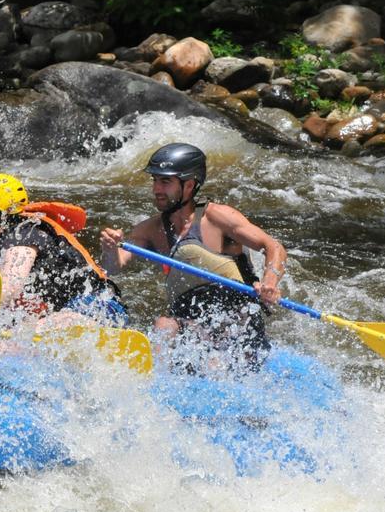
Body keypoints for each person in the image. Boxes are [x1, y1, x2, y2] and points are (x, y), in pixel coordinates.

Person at [99, 143, 287, 369]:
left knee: (214, 363)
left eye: (165, 181)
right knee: (163, 325)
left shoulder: (217, 217)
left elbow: (273, 246)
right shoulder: (149, 229)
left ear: (189, 185)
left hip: (236, 318)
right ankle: (158, 385)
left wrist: (270, 282)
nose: (156, 188)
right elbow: (114, 266)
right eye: (155, 180)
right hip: (190, 320)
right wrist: (110, 248)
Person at [0, 173, 126, 327]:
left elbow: (11, 286)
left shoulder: (23, 232)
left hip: (99, 307)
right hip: (74, 309)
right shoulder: (4, 237)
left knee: (18, 337)